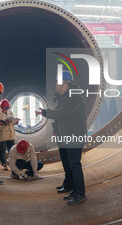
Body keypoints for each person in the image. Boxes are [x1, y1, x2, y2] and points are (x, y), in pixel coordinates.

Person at [35, 70, 87, 206]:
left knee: (75, 165)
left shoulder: (74, 97)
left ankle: (80, 193)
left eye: (59, 85)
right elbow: (58, 117)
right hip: (65, 137)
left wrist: (44, 112)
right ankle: (74, 189)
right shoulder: (62, 98)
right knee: (68, 164)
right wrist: (56, 130)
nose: (56, 87)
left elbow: (63, 113)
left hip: (74, 137)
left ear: (67, 84)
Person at [0, 99, 20, 170]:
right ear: (1, 107)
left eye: (7, 108)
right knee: (2, 151)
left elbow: (11, 122)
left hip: (10, 135)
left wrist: (15, 122)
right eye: (4, 108)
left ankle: (12, 164)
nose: (6, 109)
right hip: (2, 136)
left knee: (12, 151)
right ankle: (4, 164)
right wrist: (4, 123)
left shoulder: (10, 112)